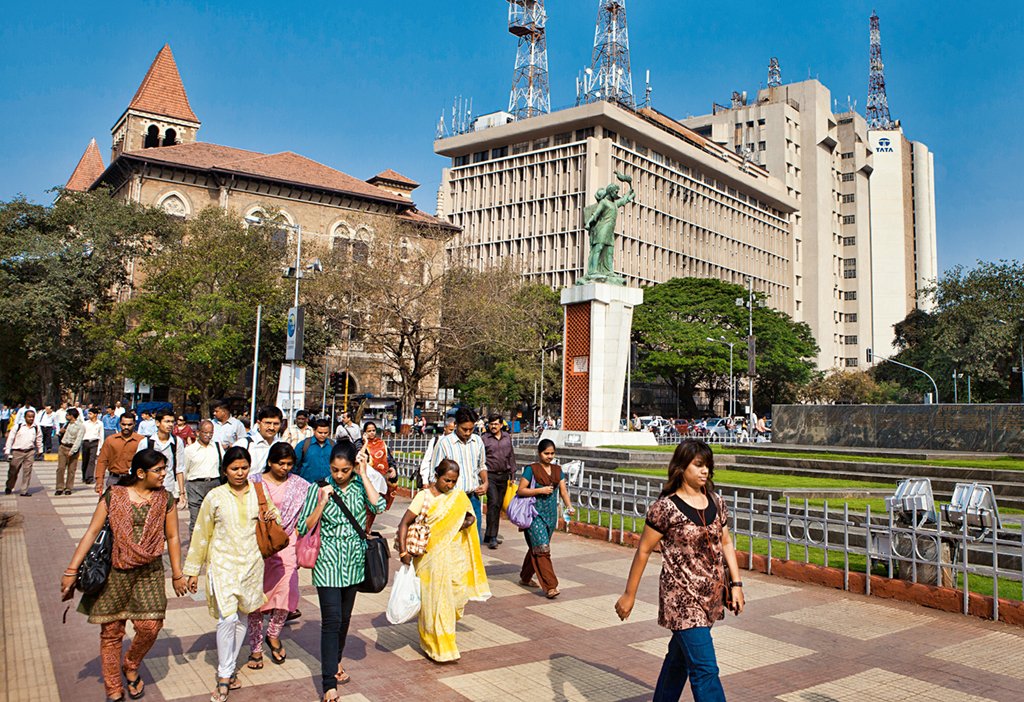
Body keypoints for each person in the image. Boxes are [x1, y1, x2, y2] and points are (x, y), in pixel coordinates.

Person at [614, 439, 745, 702]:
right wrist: (629, 595)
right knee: (705, 668)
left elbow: (726, 542)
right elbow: (643, 551)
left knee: (679, 660)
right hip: (682, 599)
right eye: (698, 465)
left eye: (707, 465)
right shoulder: (665, 507)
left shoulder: (716, 502)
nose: (705, 471)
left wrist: (736, 584)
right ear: (681, 467)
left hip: (711, 596)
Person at [60, 449, 188, 701]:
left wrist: (177, 573)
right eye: (159, 470)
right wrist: (71, 570)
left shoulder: (166, 499)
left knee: (150, 627)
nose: (164, 474)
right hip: (115, 572)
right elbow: (91, 533)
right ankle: (113, 687)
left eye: (165, 469)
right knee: (111, 633)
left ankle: (131, 663)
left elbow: (172, 536)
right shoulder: (114, 495)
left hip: (149, 572)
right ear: (141, 473)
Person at [183, 447, 278, 702]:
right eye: (234, 468)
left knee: (242, 617)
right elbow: (201, 534)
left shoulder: (258, 493)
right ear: (224, 470)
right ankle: (224, 674)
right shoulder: (214, 497)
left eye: (244, 468)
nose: (240, 473)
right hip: (222, 564)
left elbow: (274, 515)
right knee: (227, 619)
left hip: (251, 564)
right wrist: (192, 571)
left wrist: (271, 514)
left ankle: (230, 664)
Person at [296, 442, 385, 701]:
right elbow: (303, 526)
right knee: (331, 621)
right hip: (328, 564)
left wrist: (365, 474)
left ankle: (335, 662)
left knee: (344, 620)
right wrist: (321, 503)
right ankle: (328, 683)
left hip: (354, 564)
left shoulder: (359, 485)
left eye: (344, 470)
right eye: (335, 470)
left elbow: (378, 506)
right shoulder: (319, 487)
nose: (338, 475)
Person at [396, 458, 491, 662]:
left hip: (454, 556)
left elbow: (470, 517)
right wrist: (404, 553)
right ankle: (438, 647)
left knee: (456, 597)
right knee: (436, 603)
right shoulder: (424, 496)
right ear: (437, 476)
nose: (450, 485)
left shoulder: (457, 497)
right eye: (446, 480)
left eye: (453, 482)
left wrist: (462, 523)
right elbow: (404, 524)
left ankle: (438, 639)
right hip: (430, 558)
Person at [246, 443, 309, 669]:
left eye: (289, 464)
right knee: (256, 598)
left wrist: (299, 536)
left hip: (288, 542)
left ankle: (273, 633)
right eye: (280, 463)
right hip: (259, 544)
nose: (284, 468)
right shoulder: (253, 482)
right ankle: (255, 649)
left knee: (287, 592)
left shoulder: (300, 485)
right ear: (270, 462)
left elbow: (308, 511)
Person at [516, 439, 575, 598]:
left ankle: (525, 577)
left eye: (552, 453)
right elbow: (521, 490)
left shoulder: (557, 470)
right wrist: (540, 490)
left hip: (550, 515)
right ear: (539, 453)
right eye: (546, 453)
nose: (549, 456)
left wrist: (569, 506)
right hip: (534, 514)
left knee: (537, 547)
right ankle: (550, 586)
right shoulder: (531, 469)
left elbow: (563, 491)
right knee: (542, 549)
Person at [432, 407, 487, 541]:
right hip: (451, 498)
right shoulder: (445, 443)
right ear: (456, 425)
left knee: (474, 540)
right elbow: (435, 472)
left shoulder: (477, 441)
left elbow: (481, 466)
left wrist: (485, 482)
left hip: (472, 498)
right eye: (464, 429)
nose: (468, 433)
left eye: (471, 429)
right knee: (453, 539)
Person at [137, 410, 186, 508]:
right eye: (167, 421)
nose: (170, 425)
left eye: (172, 422)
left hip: (169, 488)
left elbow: (180, 469)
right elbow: (137, 467)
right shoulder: (146, 442)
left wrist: (181, 493)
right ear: (158, 423)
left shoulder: (177, 442)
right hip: (149, 490)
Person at [481, 414, 516, 549]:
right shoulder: (484, 439)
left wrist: (513, 473)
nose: (493, 426)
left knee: (498, 505)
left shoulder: (507, 438)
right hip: (490, 475)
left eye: (496, 424)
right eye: (491, 424)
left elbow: (511, 456)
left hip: (504, 475)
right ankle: (493, 537)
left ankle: (489, 534)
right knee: (493, 502)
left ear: (501, 425)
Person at [184, 420, 223, 528]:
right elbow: (184, 470)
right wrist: (182, 491)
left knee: (214, 519)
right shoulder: (189, 450)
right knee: (196, 521)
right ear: (198, 432)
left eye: (211, 433)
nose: (208, 435)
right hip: (195, 486)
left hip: (214, 484)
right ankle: (194, 544)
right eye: (205, 432)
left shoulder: (217, 447)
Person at [95, 413, 145, 494]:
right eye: (123, 424)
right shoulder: (110, 440)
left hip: (133, 479)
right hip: (114, 479)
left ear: (134, 424)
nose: (126, 427)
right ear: (119, 424)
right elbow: (102, 461)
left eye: (129, 425)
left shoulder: (142, 441)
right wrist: (99, 481)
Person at [362, 421, 397, 531]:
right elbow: (358, 457)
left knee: (374, 505)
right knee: (365, 506)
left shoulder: (381, 443)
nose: (372, 433)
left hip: (380, 480)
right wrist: (365, 442)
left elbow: (389, 458)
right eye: (369, 431)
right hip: (366, 480)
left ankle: (367, 528)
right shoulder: (360, 443)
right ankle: (363, 529)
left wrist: (392, 468)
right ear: (364, 432)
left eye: (373, 430)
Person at [4, 408, 43, 495]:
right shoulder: (18, 426)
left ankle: (24, 490)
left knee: (27, 472)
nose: (31, 419)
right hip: (17, 451)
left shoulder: (36, 427)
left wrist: (40, 449)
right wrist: (7, 451)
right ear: (25, 417)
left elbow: (39, 439)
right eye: (29, 417)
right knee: (13, 472)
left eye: (32, 417)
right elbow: (10, 439)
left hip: (30, 452)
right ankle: (9, 486)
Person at [234, 405, 282, 474]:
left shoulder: (281, 445)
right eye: (268, 423)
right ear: (259, 423)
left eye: (276, 424)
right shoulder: (244, 444)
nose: (271, 428)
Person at [55, 407, 85, 495]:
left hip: (72, 448)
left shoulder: (80, 426)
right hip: (63, 446)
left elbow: (78, 440)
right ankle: (59, 487)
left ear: (72, 416)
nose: (66, 416)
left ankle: (68, 488)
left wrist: (72, 451)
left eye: (67, 415)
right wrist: (61, 432)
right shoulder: (66, 424)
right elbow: (60, 435)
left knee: (71, 470)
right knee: (60, 468)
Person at [418, 417, 455, 487]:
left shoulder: (457, 443)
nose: (452, 433)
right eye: (451, 430)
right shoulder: (436, 441)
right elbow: (426, 461)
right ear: (445, 428)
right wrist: (425, 481)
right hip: (436, 483)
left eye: (454, 431)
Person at [295, 419, 334, 483]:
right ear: (314, 430)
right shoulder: (303, 445)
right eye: (320, 432)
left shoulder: (333, 445)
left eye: (326, 433)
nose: (323, 435)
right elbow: (295, 466)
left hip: (328, 485)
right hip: (307, 485)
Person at [81, 407, 105, 485]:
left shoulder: (100, 423)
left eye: (90, 414)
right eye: (88, 413)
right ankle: (84, 475)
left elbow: (101, 435)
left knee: (92, 460)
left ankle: (89, 477)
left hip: (94, 442)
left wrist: (100, 447)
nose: (89, 415)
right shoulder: (85, 423)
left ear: (95, 415)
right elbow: (81, 434)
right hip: (86, 442)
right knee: (85, 460)